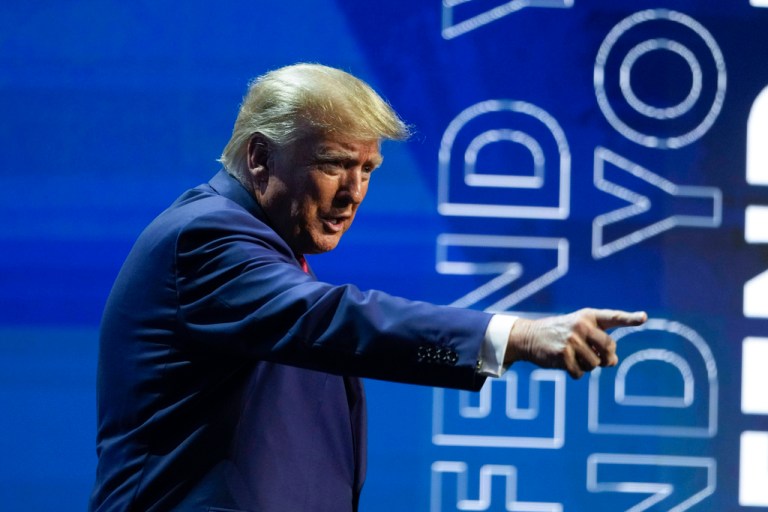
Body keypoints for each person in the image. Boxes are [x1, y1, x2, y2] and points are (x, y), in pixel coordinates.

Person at [90, 63, 646, 512]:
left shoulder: (265, 248)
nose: (353, 193)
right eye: (334, 164)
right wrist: (512, 336)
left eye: (369, 169)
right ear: (260, 157)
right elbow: (333, 319)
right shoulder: (206, 238)